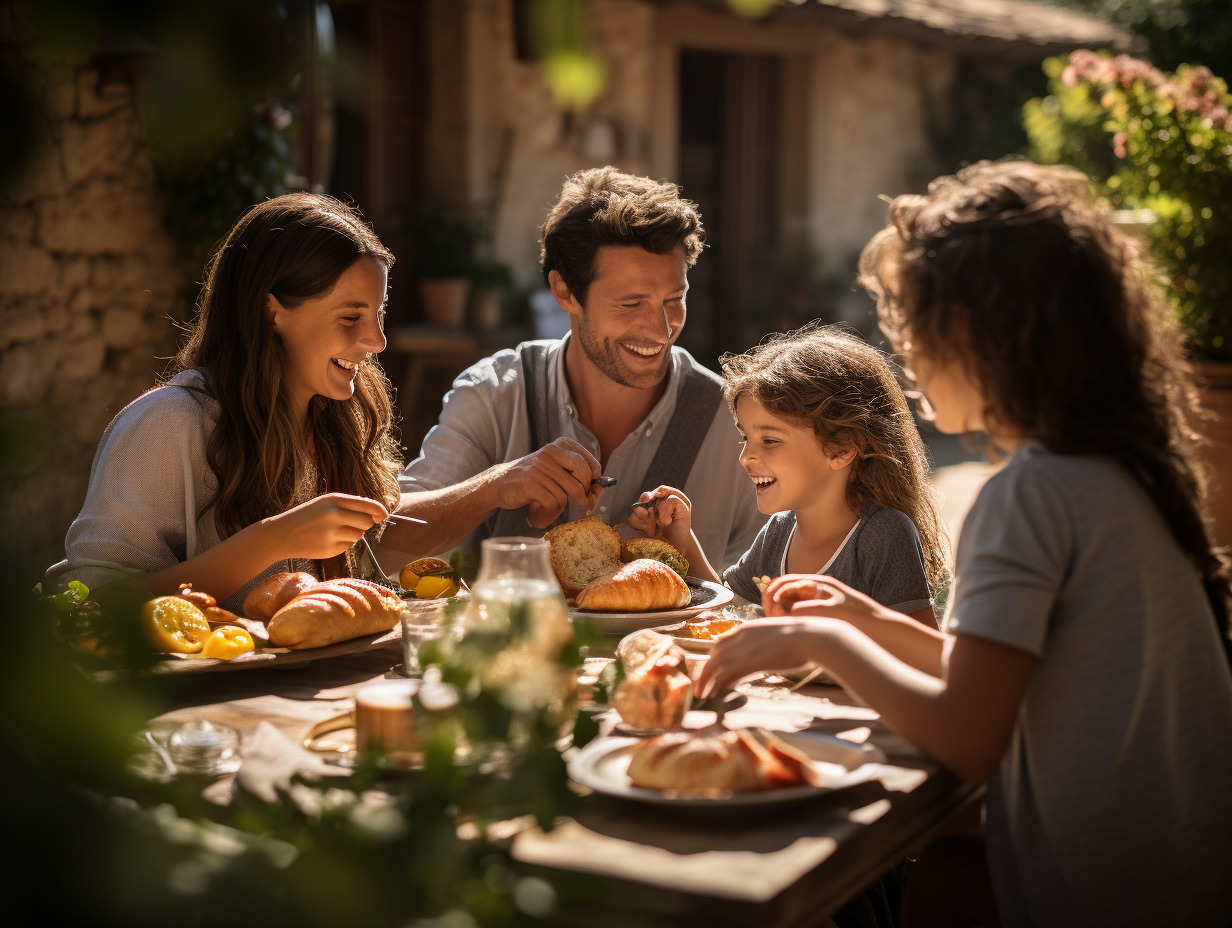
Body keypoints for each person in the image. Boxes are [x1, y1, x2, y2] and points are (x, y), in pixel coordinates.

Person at [698, 160, 1232, 927]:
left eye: (914, 323)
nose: (904, 351)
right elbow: (1007, 675)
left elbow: (969, 739)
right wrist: (865, 620)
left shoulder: (1029, 496)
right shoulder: (1115, 471)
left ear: (978, 332)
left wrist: (822, 638)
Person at [384, 166, 766, 568]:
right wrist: (493, 487)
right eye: (631, 303)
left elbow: (766, 598)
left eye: (674, 298)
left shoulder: (737, 423)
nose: (661, 329)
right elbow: (384, 544)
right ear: (564, 291)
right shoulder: (494, 393)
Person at [46, 192, 399, 614]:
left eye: (379, 314)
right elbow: (89, 602)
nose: (377, 341)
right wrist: (271, 541)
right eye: (350, 317)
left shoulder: (331, 417)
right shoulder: (168, 423)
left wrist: (489, 491)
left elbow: (388, 530)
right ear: (271, 312)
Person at [628, 323, 949, 624]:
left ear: (841, 448)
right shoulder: (779, 533)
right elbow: (729, 614)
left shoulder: (883, 536)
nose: (746, 457)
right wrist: (683, 540)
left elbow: (925, 656)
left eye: (770, 440)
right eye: (745, 438)